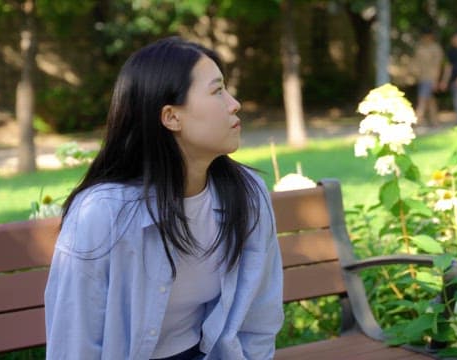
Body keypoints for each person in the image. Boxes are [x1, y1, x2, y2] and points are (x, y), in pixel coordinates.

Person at [44, 37, 284, 360]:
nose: (234, 103)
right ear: (171, 117)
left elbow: (259, 319)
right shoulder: (101, 214)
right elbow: (75, 344)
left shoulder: (247, 195)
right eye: (217, 91)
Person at [413, 28, 444, 126]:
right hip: (422, 77)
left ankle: (417, 121)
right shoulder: (420, 48)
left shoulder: (436, 49)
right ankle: (435, 121)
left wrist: (436, 80)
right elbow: (416, 62)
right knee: (430, 100)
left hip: (430, 78)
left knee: (422, 99)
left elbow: (438, 66)